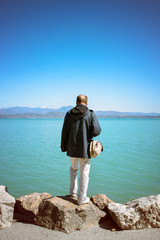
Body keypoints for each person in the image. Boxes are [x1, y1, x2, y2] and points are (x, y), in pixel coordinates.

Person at [61, 94, 101, 205]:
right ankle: (81, 198)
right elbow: (97, 131)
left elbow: (64, 132)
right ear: (86, 103)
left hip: (72, 148)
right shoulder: (90, 114)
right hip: (85, 148)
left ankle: (72, 192)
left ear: (76, 102)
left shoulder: (69, 114)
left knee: (73, 169)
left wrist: (63, 146)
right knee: (84, 173)